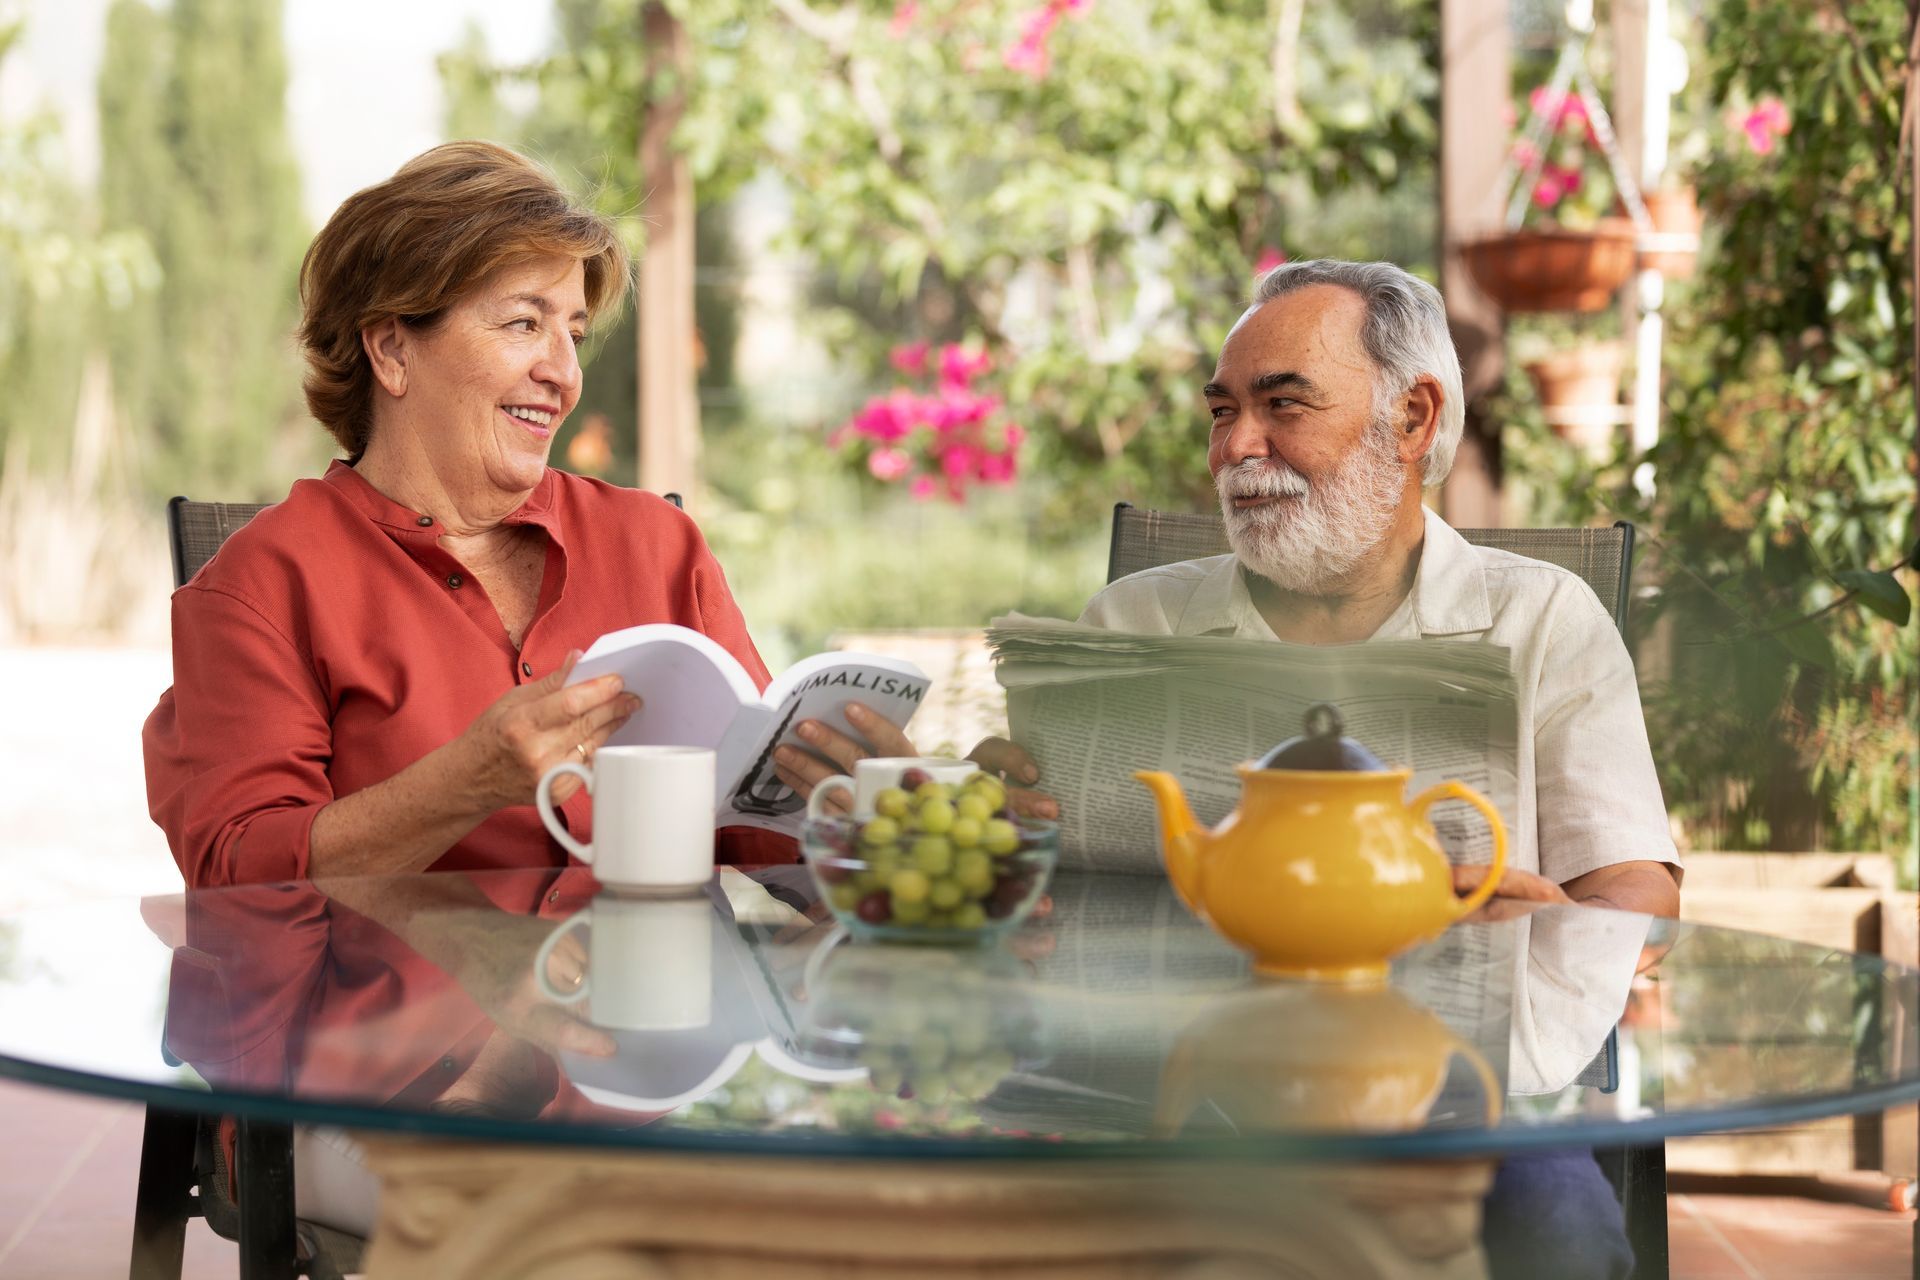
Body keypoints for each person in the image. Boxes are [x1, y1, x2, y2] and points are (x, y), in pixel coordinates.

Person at [971, 258, 1680, 1280]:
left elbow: (1638, 890)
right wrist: (1012, 835)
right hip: (1168, 1082)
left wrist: (1538, 906)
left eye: (1281, 404)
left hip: (1459, 1097)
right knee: (961, 1201)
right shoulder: (1136, 622)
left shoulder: (1544, 619)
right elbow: (1048, 887)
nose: (1236, 448)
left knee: (1556, 1234)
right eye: (1223, 411)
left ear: (1414, 416)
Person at [143, 140, 914, 894]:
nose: (565, 373)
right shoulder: (259, 587)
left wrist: (865, 821)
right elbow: (237, 882)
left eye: (573, 333)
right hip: (399, 1020)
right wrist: (462, 784)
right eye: (522, 324)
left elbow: (763, 840)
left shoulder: (657, 546)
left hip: (654, 1009)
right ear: (391, 349)